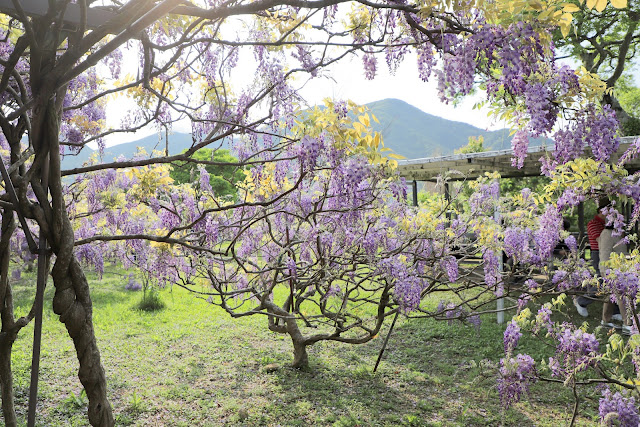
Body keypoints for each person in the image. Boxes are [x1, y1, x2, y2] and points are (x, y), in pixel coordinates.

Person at [573, 200, 607, 317]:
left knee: (614, 280)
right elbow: (600, 240)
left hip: (608, 253)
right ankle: (581, 301)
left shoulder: (607, 224)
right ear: (601, 212)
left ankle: (615, 311)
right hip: (598, 253)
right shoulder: (593, 223)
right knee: (601, 280)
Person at [598, 224, 632, 335]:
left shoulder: (617, 233)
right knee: (622, 295)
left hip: (618, 269)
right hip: (611, 270)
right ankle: (627, 324)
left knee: (610, 295)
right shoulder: (607, 233)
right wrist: (608, 271)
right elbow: (604, 254)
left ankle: (605, 320)